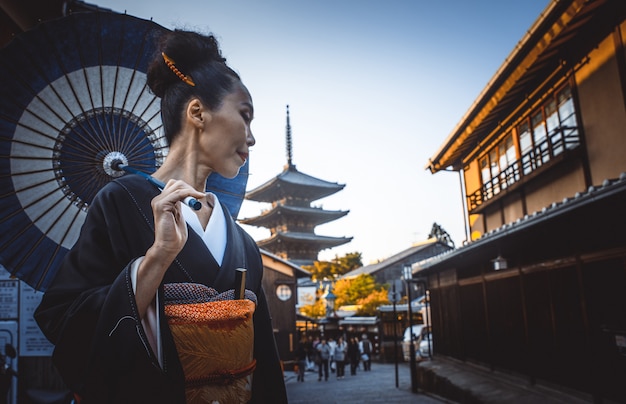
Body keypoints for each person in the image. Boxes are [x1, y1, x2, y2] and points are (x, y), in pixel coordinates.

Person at [34, 29, 287, 403]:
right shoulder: (122, 202)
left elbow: (263, 361)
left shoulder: (244, 243)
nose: (251, 138)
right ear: (198, 112)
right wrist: (155, 260)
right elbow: (63, 321)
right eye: (245, 116)